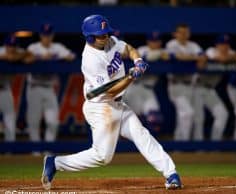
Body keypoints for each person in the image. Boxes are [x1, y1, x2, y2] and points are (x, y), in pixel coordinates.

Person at [41, 15, 182, 190]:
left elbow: (129, 48)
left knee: (142, 135)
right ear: (90, 37)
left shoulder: (111, 41)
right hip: (101, 108)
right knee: (103, 157)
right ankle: (56, 163)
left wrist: (137, 61)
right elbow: (110, 90)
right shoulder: (90, 59)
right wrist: (132, 76)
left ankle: (171, 174)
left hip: (118, 104)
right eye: (101, 35)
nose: (106, 36)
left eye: (106, 33)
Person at [26, 23, 75, 142]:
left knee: (53, 121)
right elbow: (26, 59)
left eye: (48, 35)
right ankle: (35, 152)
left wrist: (54, 57)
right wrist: (41, 58)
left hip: (49, 87)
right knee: (33, 121)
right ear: (40, 35)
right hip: (34, 87)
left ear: (52, 35)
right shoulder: (33, 47)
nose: (46, 37)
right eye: (44, 35)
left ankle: (48, 149)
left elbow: (71, 56)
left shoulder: (56, 47)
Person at [192, 34, 236, 141]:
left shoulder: (230, 52)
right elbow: (219, 59)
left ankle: (215, 143)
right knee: (199, 118)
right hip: (197, 87)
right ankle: (198, 146)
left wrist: (231, 57)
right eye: (222, 44)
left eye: (226, 44)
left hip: (211, 89)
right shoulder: (211, 51)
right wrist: (229, 58)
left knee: (222, 113)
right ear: (217, 45)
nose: (224, 47)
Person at [166, 23, 205, 141]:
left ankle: (182, 145)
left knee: (189, 116)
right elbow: (178, 57)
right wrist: (194, 58)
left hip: (191, 85)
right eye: (180, 32)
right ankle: (184, 144)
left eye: (185, 32)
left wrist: (196, 59)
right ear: (175, 34)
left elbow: (203, 58)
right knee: (187, 113)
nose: (183, 35)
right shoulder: (171, 44)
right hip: (176, 84)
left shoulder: (193, 45)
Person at [124, 31, 168, 134]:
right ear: (148, 42)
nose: (155, 43)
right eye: (152, 41)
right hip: (134, 88)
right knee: (133, 119)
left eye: (157, 41)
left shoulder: (163, 51)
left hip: (149, 90)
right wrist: (159, 54)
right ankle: (128, 145)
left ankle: (147, 144)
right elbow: (146, 58)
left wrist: (163, 54)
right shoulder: (141, 49)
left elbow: (170, 56)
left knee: (155, 118)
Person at [0, 34, 31, 142]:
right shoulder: (1, 51)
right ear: (5, 45)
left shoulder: (18, 52)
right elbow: (9, 57)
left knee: (10, 119)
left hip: (5, 89)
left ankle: (10, 150)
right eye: (9, 45)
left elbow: (30, 55)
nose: (11, 48)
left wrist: (18, 57)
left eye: (13, 45)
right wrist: (11, 58)